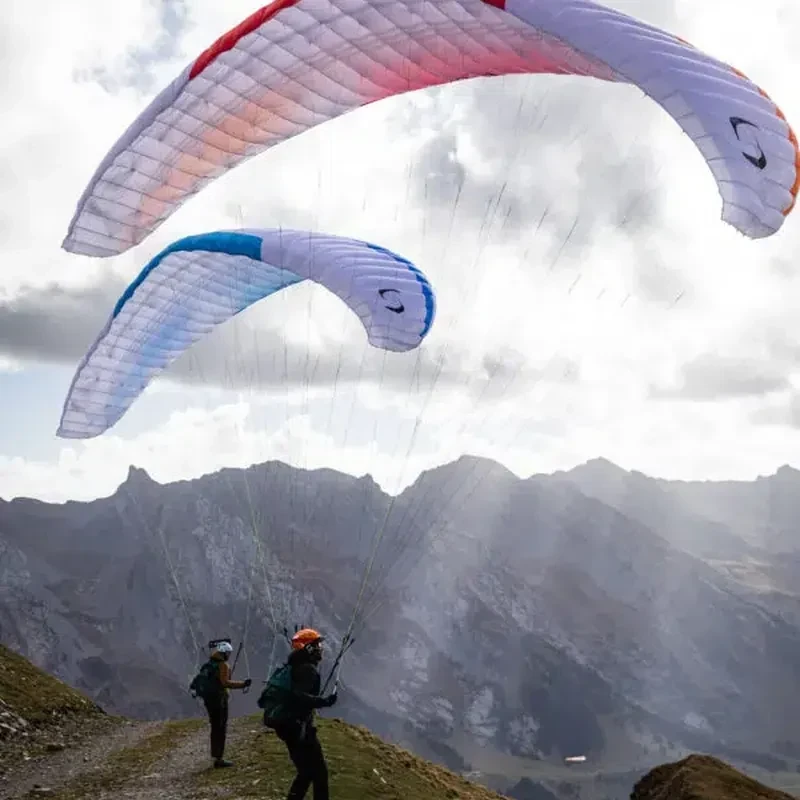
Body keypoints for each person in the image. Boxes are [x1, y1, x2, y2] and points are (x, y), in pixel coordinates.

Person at [269, 628, 338, 800]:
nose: (321, 649)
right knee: (319, 772)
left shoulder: (294, 666)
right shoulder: (307, 670)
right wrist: (324, 701)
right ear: (308, 648)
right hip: (298, 727)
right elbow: (299, 697)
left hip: (287, 726)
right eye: (317, 645)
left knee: (306, 771)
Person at [201, 640, 252, 768]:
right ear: (224, 653)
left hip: (209, 700)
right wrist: (243, 684)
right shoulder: (222, 665)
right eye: (228, 653)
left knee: (215, 727)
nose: (229, 655)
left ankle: (215, 754)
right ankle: (219, 758)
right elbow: (225, 683)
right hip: (219, 700)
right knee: (221, 727)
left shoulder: (209, 664)